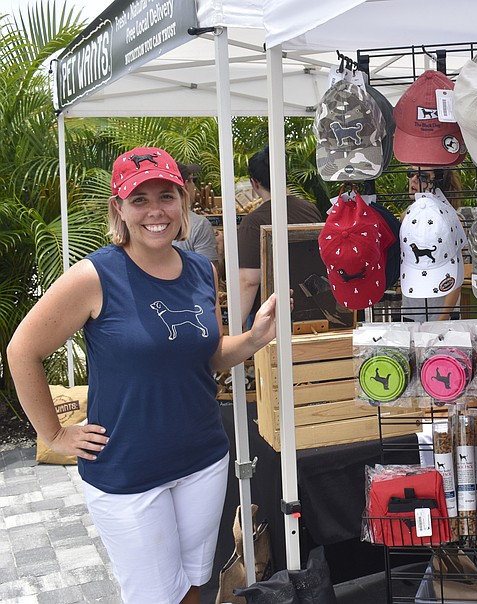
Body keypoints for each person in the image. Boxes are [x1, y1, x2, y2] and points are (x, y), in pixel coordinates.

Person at [6, 147, 278, 604]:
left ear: (183, 200)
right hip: (128, 470)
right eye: (140, 199)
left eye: (166, 196)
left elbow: (208, 357)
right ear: (119, 208)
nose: (156, 211)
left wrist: (254, 338)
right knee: (154, 596)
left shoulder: (201, 269)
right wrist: (53, 434)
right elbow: (22, 351)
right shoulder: (95, 276)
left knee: (193, 584)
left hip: (203, 459)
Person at [237, 145, 323, 327]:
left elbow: (249, 281)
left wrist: (235, 327)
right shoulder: (310, 209)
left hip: (271, 316)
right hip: (315, 309)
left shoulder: (253, 222)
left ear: (254, 183)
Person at [402, 166, 465, 321]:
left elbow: (457, 271)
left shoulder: (451, 220)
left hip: (442, 311)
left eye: (423, 176)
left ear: (438, 183)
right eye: (411, 173)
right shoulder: (407, 217)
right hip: (411, 308)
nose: (414, 180)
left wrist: (443, 317)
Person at [172, 161, 219, 270]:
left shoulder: (151, 223)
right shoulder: (200, 225)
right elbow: (208, 272)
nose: (194, 185)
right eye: (193, 180)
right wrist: (220, 252)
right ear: (186, 185)